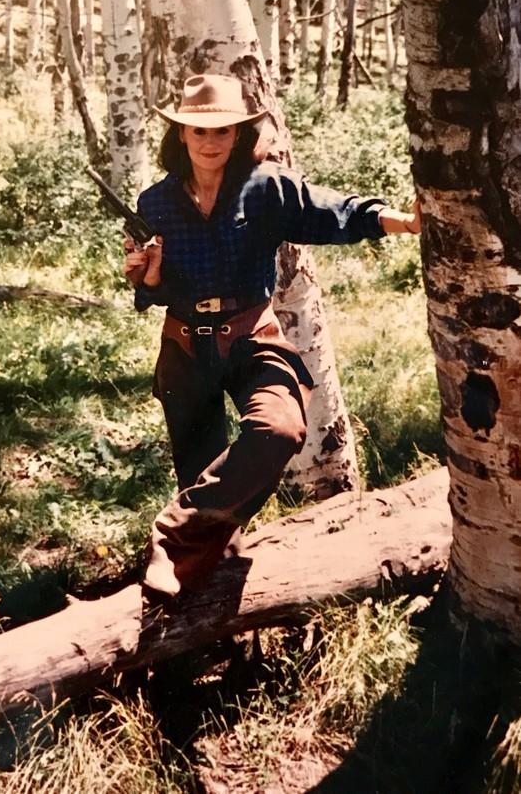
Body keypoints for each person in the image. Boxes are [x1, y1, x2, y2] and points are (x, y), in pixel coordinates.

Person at [123, 74, 421, 599]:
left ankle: (170, 535)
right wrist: (147, 277)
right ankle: (209, 615)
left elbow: (331, 213)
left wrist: (402, 221)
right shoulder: (156, 203)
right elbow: (155, 292)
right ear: (182, 134)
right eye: (199, 131)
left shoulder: (265, 188)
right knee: (205, 478)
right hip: (185, 346)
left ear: (239, 134)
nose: (210, 142)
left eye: (222, 131)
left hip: (250, 337)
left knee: (279, 430)